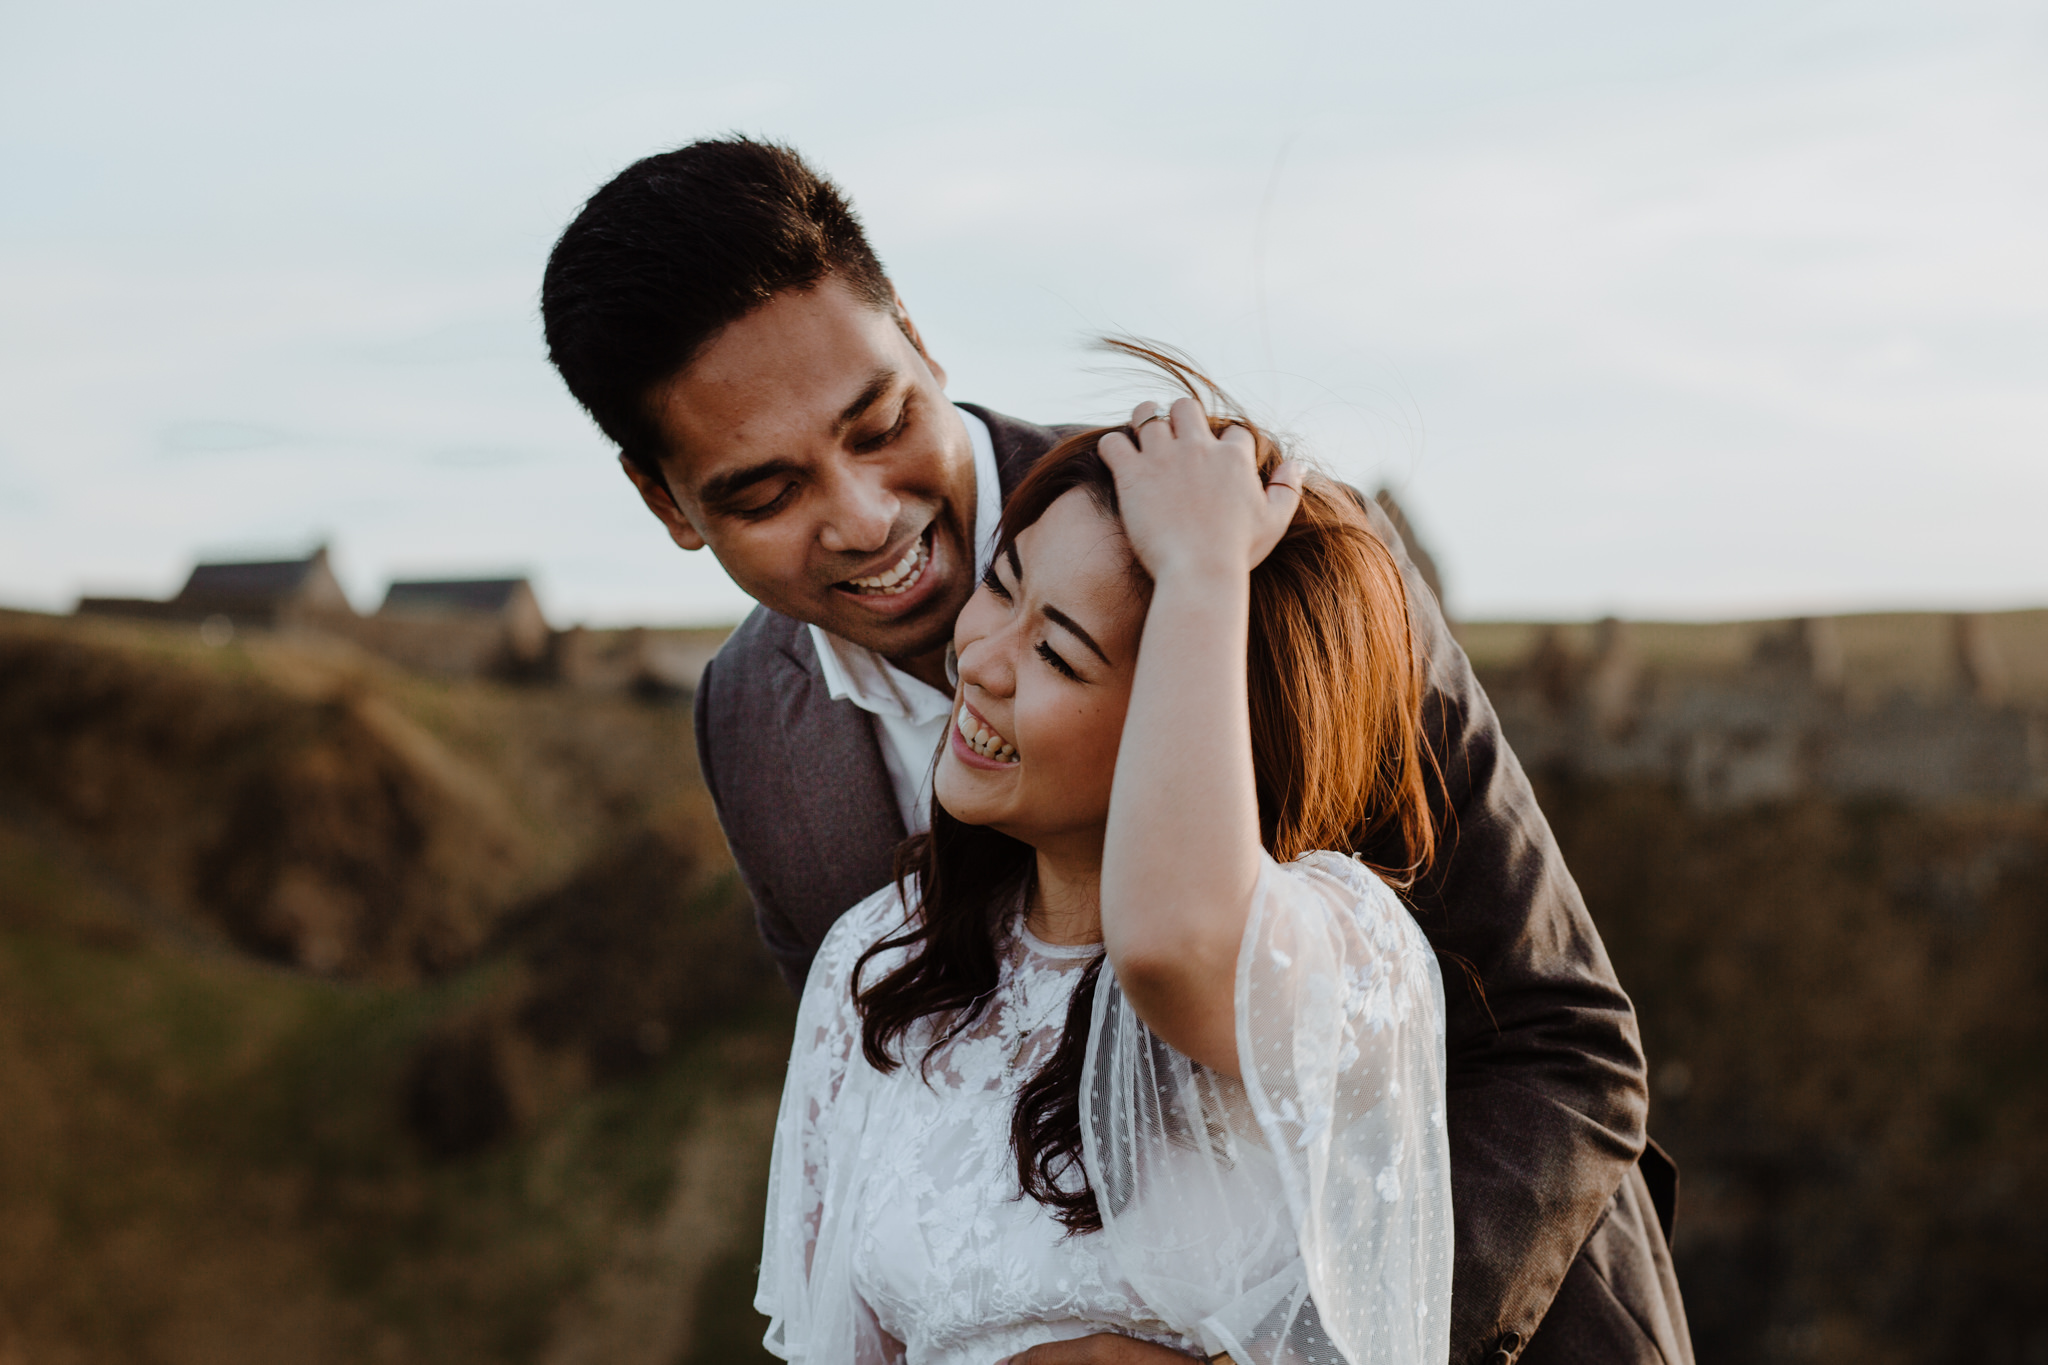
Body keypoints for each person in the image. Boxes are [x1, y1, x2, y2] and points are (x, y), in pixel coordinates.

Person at [540, 137, 1691, 1365]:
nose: (864, 517)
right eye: (764, 496)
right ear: (666, 505)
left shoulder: (1266, 563)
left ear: (921, 344)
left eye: (880, 425)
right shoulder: (745, 721)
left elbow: (1562, 1042)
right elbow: (888, 1141)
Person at [759, 374, 1451, 1365]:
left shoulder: (1338, 944)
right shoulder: (876, 959)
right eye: (1002, 586)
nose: (982, 660)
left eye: (1059, 652)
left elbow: (1172, 943)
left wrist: (1203, 569)